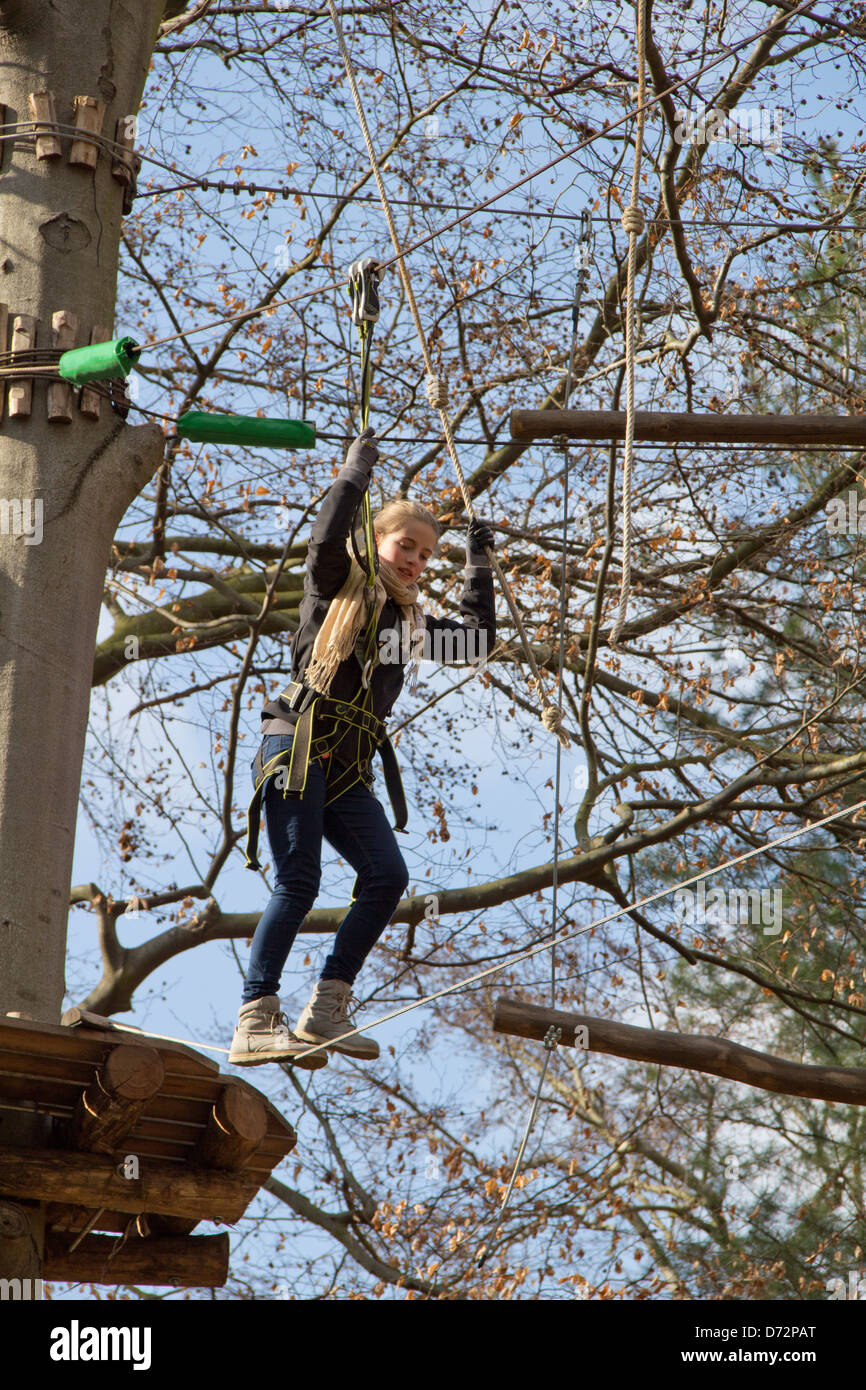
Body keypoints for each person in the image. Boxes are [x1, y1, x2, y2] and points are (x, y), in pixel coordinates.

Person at [229, 426, 496, 1068]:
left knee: (387, 876)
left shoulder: (409, 623)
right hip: (297, 742)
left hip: (347, 766)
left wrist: (479, 566)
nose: (414, 562)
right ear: (377, 540)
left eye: (427, 555)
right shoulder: (334, 586)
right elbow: (325, 537)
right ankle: (256, 1017)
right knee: (299, 879)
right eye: (406, 546)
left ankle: (326, 1008)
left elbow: (478, 643)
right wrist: (353, 476)